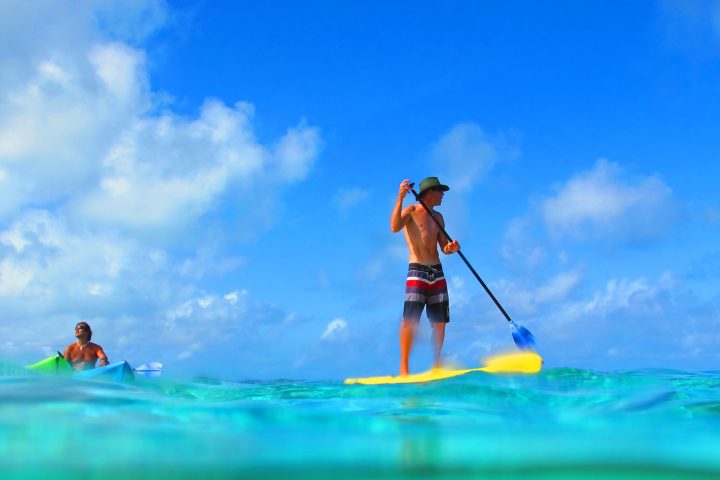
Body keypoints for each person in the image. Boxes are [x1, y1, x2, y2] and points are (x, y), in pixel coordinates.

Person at [391, 177, 460, 375]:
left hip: (437, 272)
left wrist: (451, 247)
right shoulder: (411, 211)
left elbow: (443, 247)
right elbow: (394, 227)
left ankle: (437, 365)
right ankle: (404, 370)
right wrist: (400, 197)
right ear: (430, 192)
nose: (443, 195)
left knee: (440, 322)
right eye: (440, 191)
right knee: (410, 321)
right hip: (417, 271)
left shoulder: (439, 217)